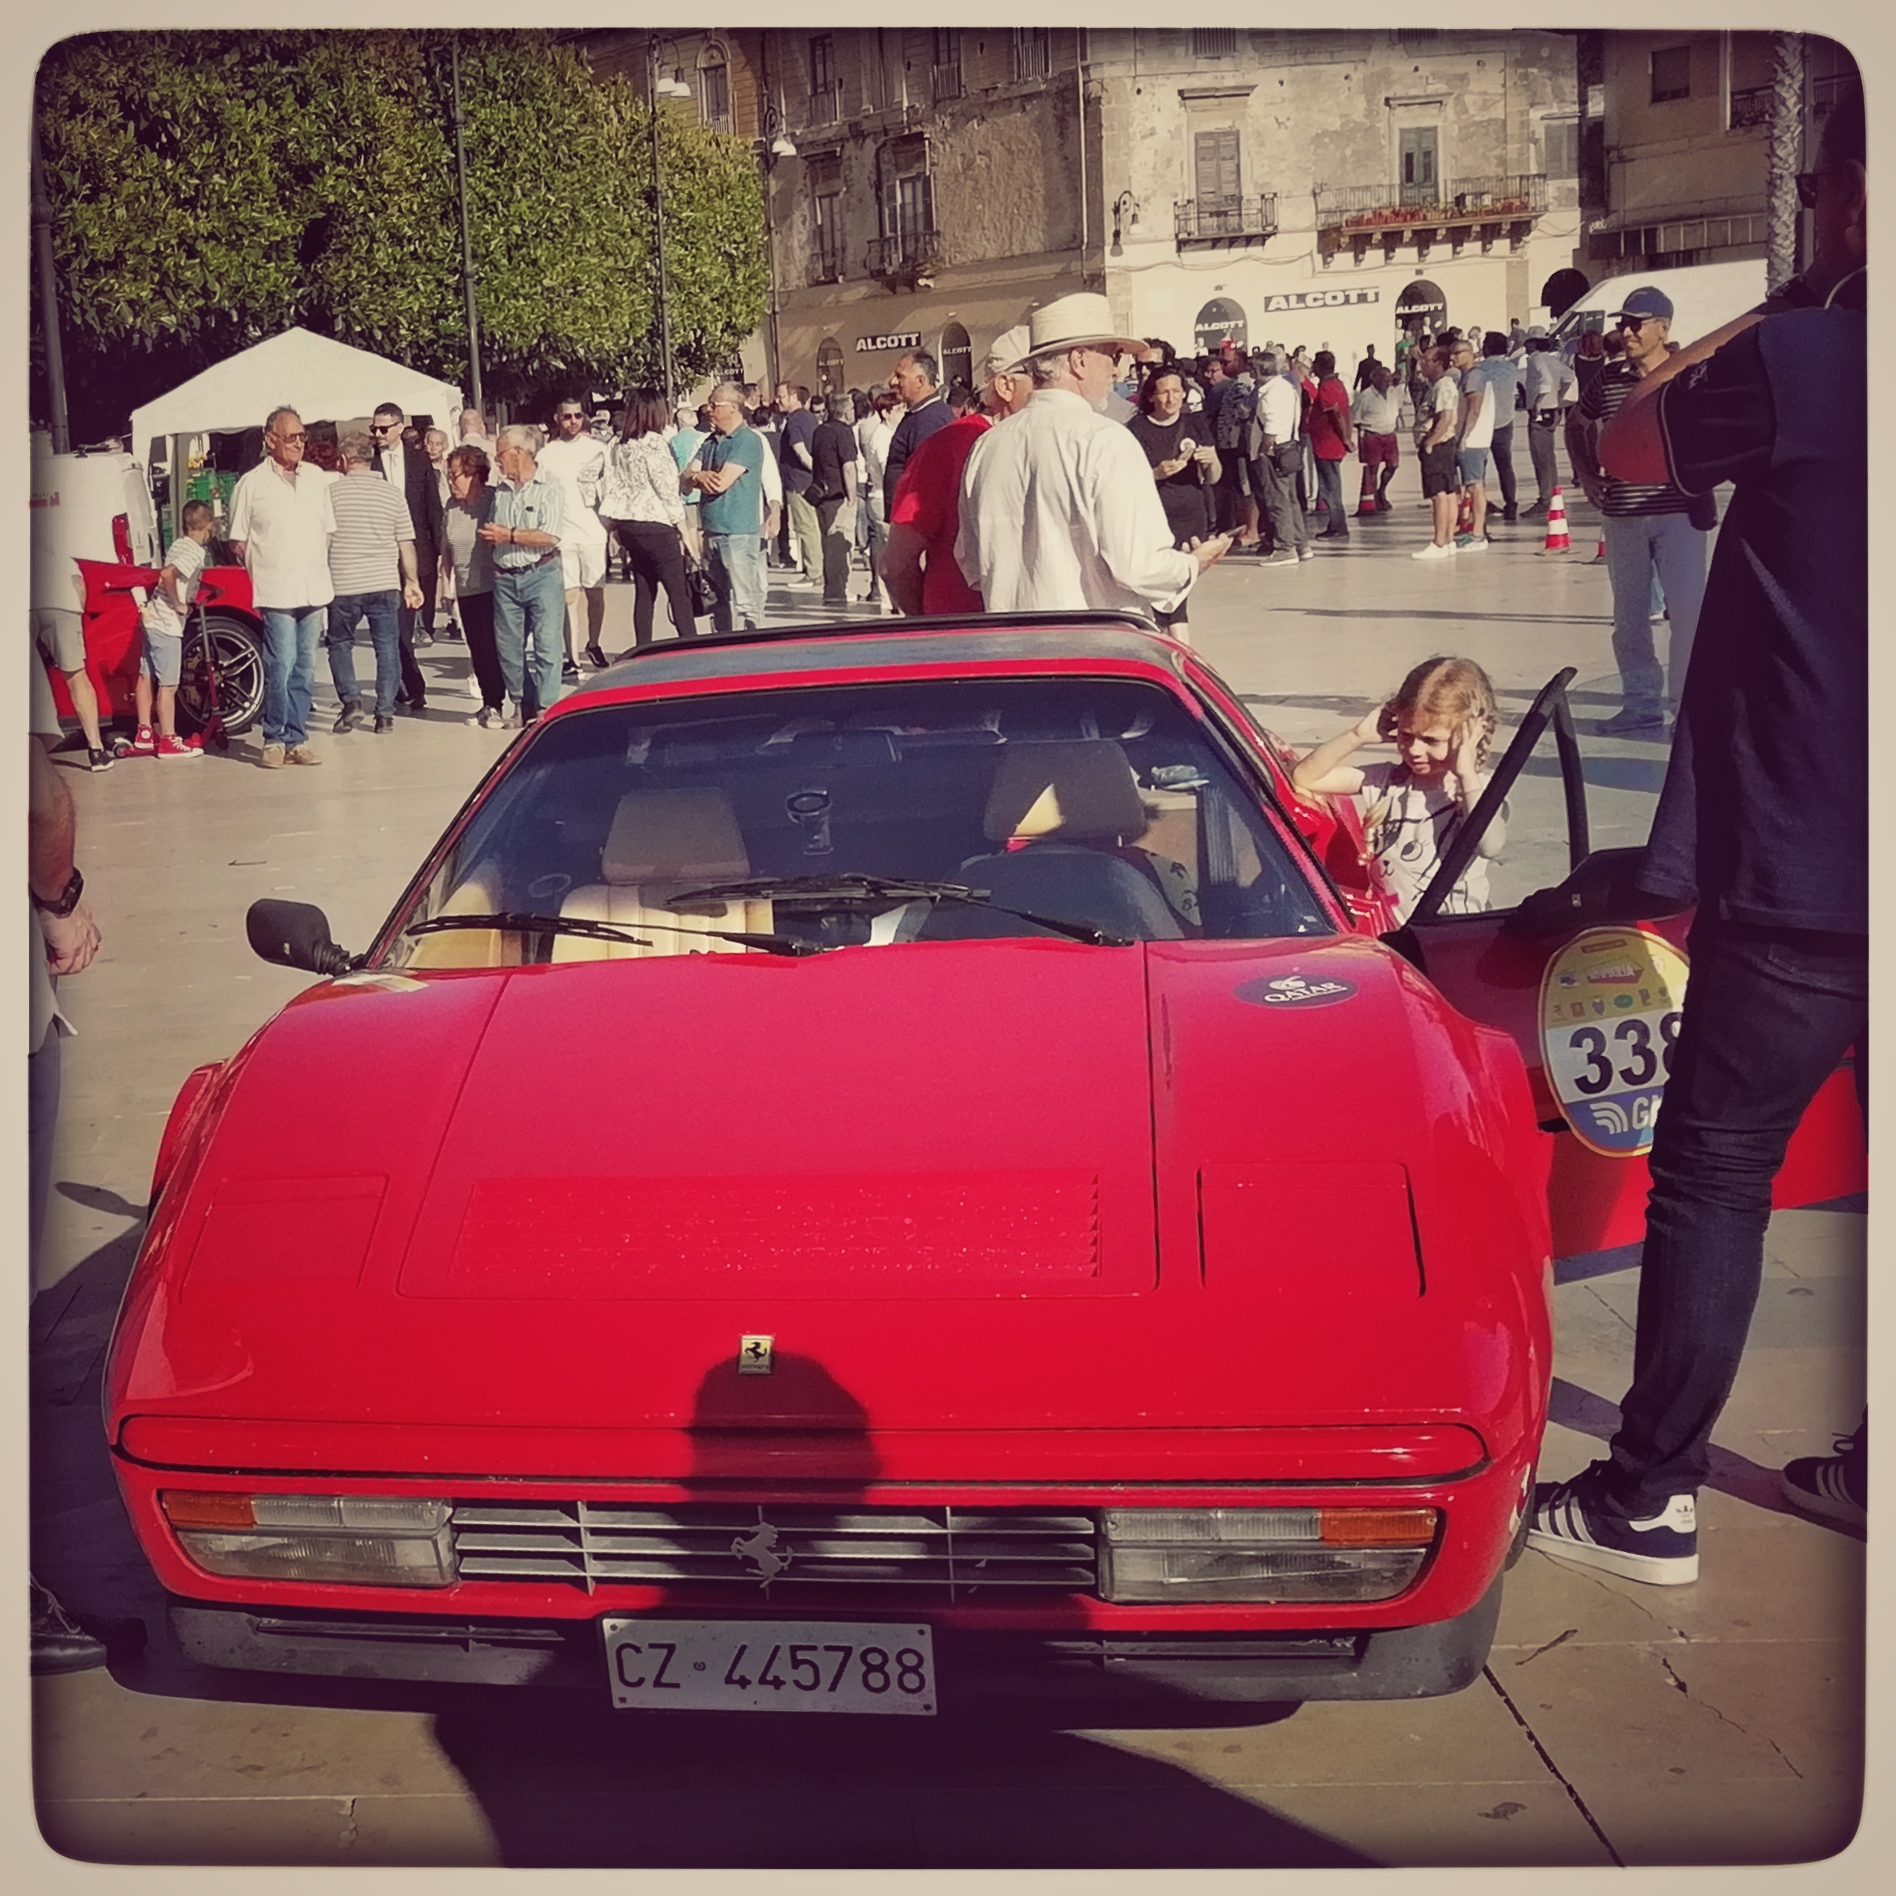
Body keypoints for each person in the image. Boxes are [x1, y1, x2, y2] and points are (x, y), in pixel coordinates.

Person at [1527, 79, 1868, 1579]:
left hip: (1815, 868)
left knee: (1716, 1162)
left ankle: (1648, 1492)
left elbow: (1630, 444)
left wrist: (1804, 294)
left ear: (1849, 201)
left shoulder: (1811, 357)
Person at [955, 293, 1229, 617]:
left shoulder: (987, 447)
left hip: (1013, 651)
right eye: (1112, 356)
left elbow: (971, 563)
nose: (1116, 370)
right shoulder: (1106, 441)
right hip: (1091, 649)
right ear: (1079, 360)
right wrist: (1191, 563)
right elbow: (1137, 566)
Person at [1566, 287, 1707, 734]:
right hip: (1622, 514)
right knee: (1628, 616)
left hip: (1677, 512)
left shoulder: (1689, 375)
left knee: (1686, 611)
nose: (1624, 331)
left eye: (1635, 323)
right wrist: (1587, 475)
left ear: (1663, 328)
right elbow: (1577, 422)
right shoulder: (1608, 380)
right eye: (1622, 323)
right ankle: (1641, 703)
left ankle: (1687, 703)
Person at [1289, 655, 1505, 924]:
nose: (1414, 749)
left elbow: (1491, 845)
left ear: (1473, 732)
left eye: (1430, 739)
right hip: (1395, 934)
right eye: (1406, 734)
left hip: (1453, 936)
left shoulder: (1479, 790)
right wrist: (1357, 736)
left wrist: (1466, 774)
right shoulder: (1386, 781)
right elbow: (1307, 777)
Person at [882, 326, 1031, 618]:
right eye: (1043, 378)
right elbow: (896, 563)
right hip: (964, 633)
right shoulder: (949, 444)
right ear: (1005, 386)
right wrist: (929, 624)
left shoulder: (1057, 442)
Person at [227, 405, 336, 768]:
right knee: (282, 663)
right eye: (291, 437)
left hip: (314, 586)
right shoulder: (252, 484)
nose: (299, 444)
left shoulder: (318, 478)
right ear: (270, 439)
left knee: (306, 666)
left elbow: (328, 531)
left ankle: (297, 737)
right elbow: (237, 541)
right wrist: (263, 569)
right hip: (276, 588)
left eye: (303, 436)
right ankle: (274, 737)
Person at [326, 427, 424, 735]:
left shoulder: (330, 495)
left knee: (340, 643)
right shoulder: (393, 495)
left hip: (344, 583)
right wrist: (412, 582)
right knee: (387, 648)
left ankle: (352, 701)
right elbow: (406, 543)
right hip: (384, 582)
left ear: (343, 459)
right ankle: (384, 714)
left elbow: (323, 541)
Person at [478, 425, 565, 725]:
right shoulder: (500, 490)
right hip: (505, 576)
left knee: (547, 644)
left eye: (499, 454)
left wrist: (509, 535)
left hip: (541, 573)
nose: (497, 460)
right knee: (509, 647)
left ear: (517, 453)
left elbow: (550, 536)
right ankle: (519, 704)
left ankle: (546, 707)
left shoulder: (550, 486)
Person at [1124, 364, 1220, 635]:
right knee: (1166, 584)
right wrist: (1154, 474)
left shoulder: (1195, 423)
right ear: (1151, 396)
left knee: (1178, 585)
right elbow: (1126, 480)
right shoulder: (1135, 429)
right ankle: (1179, 644)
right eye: (1164, 392)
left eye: (1177, 391)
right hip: (1155, 517)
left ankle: (1173, 643)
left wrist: (1211, 460)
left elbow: (1213, 476)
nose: (1171, 398)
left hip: (1191, 516)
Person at [600, 388, 694, 649]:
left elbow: (603, 480)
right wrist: (683, 530)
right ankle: (691, 647)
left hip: (629, 524)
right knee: (678, 592)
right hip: (656, 524)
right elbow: (665, 488)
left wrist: (610, 523)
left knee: (644, 590)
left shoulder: (619, 444)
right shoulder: (655, 444)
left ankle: (643, 647)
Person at [126, 498, 213, 761]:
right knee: (169, 684)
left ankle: (144, 734)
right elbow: (168, 575)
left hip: (151, 617)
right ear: (207, 527)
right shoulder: (195, 552)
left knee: (146, 675)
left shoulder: (177, 544)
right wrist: (179, 604)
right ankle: (168, 739)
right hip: (167, 623)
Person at [681, 384, 769, 633]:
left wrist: (698, 477)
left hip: (739, 533)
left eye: (714, 405)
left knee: (746, 602)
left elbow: (720, 483)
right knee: (717, 601)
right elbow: (686, 477)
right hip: (711, 532)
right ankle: (722, 646)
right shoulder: (709, 441)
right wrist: (699, 477)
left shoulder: (747, 441)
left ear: (732, 408)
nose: (708, 410)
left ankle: (754, 647)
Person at [370, 402, 444, 698]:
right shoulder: (370, 462)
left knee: (410, 620)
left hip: (418, 550)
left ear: (400, 427)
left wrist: (440, 553)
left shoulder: (419, 461)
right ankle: (409, 684)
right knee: (395, 622)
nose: (377, 433)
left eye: (383, 428)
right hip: (383, 554)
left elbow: (432, 507)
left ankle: (406, 680)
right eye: (373, 428)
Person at [536, 398, 611, 673]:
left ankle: (594, 643)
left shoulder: (599, 450)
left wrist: (608, 525)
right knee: (569, 597)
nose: (573, 421)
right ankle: (572, 656)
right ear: (557, 418)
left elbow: (610, 488)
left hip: (593, 532)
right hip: (562, 535)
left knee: (595, 593)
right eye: (567, 416)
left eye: (578, 416)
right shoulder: (546, 454)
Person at [441, 446, 504, 727]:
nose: (450, 482)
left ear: (474, 474)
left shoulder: (494, 500)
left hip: (494, 587)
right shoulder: (451, 507)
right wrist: (446, 587)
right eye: (448, 476)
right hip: (465, 588)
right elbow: (446, 550)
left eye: (455, 476)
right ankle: (489, 704)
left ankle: (502, 704)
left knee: (495, 648)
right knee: (477, 649)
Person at [1247, 349, 1306, 566]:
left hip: (1273, 453)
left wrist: (1262, 451)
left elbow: (1270, 430)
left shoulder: (1269, 394)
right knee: (1290, 499)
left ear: (1258, 370)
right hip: (1289, 447)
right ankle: (1301, 543)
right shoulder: (1287, 387)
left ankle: (1285, 548)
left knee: (1277, 501)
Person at [807, 392, 861, 610]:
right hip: (838, 496)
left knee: (827, 545)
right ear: (847, 410)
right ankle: (837, 591)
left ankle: (831, 588)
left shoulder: (820, 431)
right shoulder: (844, 432)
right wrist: (853, 495)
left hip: (821, 495)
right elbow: (848, 466)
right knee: (840, 545)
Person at [1410, 347, 1463, 561]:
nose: (1423, 364)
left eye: (1427, 360)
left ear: (1439, 363)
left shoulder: (1443, 386)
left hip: (1438, 445)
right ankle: (1449, 540)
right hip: (1443, 444)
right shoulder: (1439, 386)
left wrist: (1430, 442)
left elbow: (1446, 418)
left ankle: (1439, 541)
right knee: (1448, 493)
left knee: (1439, 494)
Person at [882, 350, 953, 509]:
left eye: (900, 376)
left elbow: (928, 479)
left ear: (920, 381)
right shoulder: (920, 415)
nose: (893, 381)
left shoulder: (931, 420)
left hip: (915, 520)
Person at [1520, 331, 1577, 518]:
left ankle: (1545, 500)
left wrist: (1537, 404)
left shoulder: (1535, 360)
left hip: (1541, 412)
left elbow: (1545, 381)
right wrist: (1559, 399)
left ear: (1534, 344)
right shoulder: (1553, 360)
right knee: (1549, 456)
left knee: (1540, 457)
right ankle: (1553, 495)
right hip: (1553, 411)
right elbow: (1569, 376)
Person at [856, 388, 901, 609]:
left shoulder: (887, 434)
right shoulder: (882, 437)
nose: (902, 413)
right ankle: (888, 598)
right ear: (885, 412)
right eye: (898, 410)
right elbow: (886, 470)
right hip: (882, 497)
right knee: (887, 548)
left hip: (880, 495)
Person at [1304, 351, 1356, 542]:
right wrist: (1348, 436)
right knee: (1331, 485)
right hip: (1330, 443)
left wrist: (1345, 438)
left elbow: (1337, 415)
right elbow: (1347, 412)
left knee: (1329, 487)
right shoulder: (1338, 384)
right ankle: (1334, 524)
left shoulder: (1327, 387)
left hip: (1327, 444)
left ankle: (1339, 525)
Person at [1449, 335, 1494, 552]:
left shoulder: (1473, 378)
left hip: (1473, 441)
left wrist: (1463, 437)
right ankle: (1478, 530)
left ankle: (1477, 535)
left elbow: (1474, 408)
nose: (1453, 357)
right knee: (1476, 486)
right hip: (1478, 439)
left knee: (1475, 487)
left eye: (1458, 352)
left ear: (1471, 353)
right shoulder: (1474, 376)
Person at [775, 383, 822, 588]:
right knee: (814, 526)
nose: (777, 401)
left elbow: (801, 452)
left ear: (793, 396)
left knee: (805, 528)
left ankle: (813, 572)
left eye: (781, 396)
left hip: (798, 482)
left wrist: (815, 470)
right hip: (810, 482)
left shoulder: (793, 422)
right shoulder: (811, 418)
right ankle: (816, 568)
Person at [1476, 331, 1524, 523]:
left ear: (1487, 348)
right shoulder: (1511, 368)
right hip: (1505, 421)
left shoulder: (1479, 370)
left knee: (1480, 467)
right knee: (1505, 465)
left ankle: (1482, 501)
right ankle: (1511, 503)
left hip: (1482, 422)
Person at [1351, 361, 1404, 514]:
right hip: (1372, 434)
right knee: (1372, 469)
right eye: (1383, 379)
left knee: (1393, 465)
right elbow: (1356, 418)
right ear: (1374, 379)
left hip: (1390, 434)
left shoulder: (1394, 393)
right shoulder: (1365, 396)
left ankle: (1382, 490)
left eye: (1388, 379)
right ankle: (1372, 498)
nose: (1386, 383)